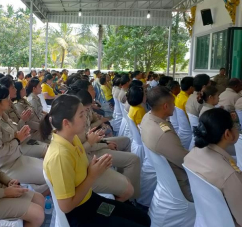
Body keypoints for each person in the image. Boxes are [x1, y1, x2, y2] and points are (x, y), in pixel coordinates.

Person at [42, 95, 150, 227]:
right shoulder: (59, 156)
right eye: (81, 115)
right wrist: (93, 175)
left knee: (143, 219)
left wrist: (96, 166)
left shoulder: (72, 139)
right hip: (81, 214)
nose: (85, 119)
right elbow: (66, 206)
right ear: (66, 123)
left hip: (91, 201)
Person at [75, 90, 141, 199]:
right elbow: (86, 146)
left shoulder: (79, 118)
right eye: (84, 112)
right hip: (91, 155)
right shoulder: (74, 126)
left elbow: (89, 138)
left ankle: (126, 188)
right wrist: (105, 144)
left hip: (92, 150)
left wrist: (103, 141)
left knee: (126, 141)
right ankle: (130, 198)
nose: (86, 114)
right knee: (133, 162)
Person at [0, 85, 49, 194]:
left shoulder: (3, 115)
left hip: (18, 157)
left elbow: (14, 133)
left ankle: (36, 195)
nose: (10, 101)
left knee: (50, 169)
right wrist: (17, 140)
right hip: (8, 166)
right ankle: (35, 199)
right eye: (6, 99)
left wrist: (20, 133)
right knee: (49, 176)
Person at [184, 108, 242, 226]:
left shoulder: (191, 156)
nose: (237, 128)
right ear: (227, 134)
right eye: (234, 125)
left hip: (207, 218)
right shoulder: (229, 175)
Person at [140, 86, 193, 202]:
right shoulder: (163, 134)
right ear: (165, 106)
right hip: (182, 183)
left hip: (168, 179)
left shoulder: (147, 117)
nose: (175, 106)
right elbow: (187, 162)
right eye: (173, 103)